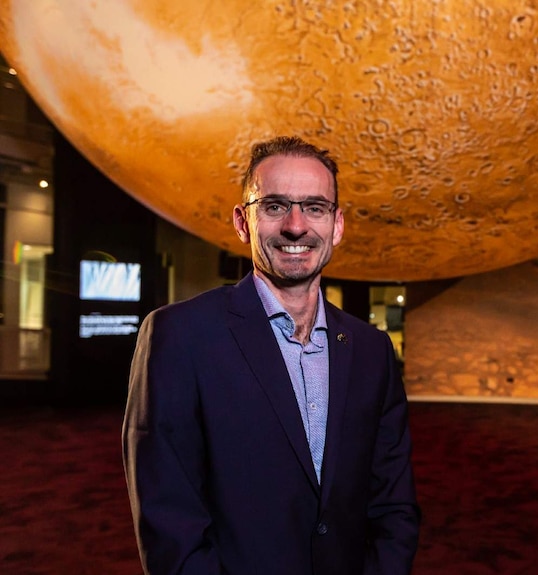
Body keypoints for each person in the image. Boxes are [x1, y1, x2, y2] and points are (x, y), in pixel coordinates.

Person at [122, 135, 421, 575]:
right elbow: (170, 522)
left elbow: (394, 503)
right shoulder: (180, 336)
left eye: (315, 208)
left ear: (337, 225)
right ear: (244, 223)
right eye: (276, 206)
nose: (296, 226)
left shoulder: (371, 350)